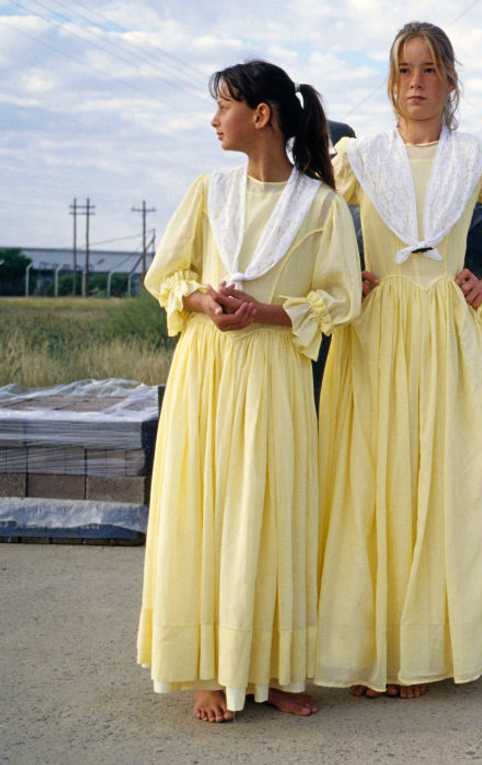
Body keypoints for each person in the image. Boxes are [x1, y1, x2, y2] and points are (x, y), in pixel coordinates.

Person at [316, 21, 482, 699]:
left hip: (449, 329)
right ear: (390, 83)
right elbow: (317, 220)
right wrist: (343, 274)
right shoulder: (359, 158)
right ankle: (371, 648)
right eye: (403, 71)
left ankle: (422, 648)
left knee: (436, 483)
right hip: (378, 328)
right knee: (372, 477)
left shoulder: (474, 154)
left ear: (449, 80)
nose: (415, 84)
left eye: (428, 70)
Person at [137, 60, 362, 722]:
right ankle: (210, 668)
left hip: (274, 372)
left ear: (261, 115)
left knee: (274, 511)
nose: (214, 119)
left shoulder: (319, 206)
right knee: (208, 510)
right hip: (208, 371)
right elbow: (166, 272)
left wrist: (267, 313)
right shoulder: (209, 191)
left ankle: (278, 667)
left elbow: (341, 296)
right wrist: (203, 299)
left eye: (224, 106)